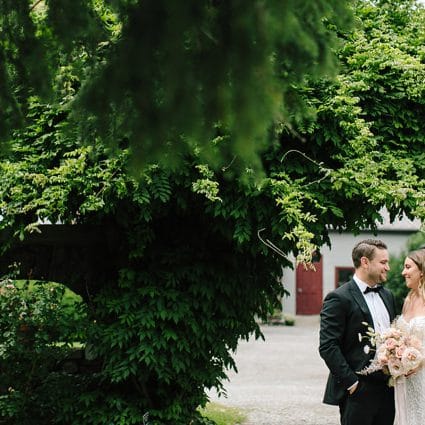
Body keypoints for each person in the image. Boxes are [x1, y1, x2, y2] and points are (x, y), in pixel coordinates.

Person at [319, 239, 396, 425]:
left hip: (388, 388)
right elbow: (328, 346)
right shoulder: (339, 298)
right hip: (358, 390)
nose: (388, 268)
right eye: (383, 262)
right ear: (365, 262)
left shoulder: (388, 295)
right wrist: (353, 384)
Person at [394, 248, 425, 425]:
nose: (403, 272)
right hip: (404, 376)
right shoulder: (409, 298)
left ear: (421, 271)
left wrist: (422, 361)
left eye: (408, 267)